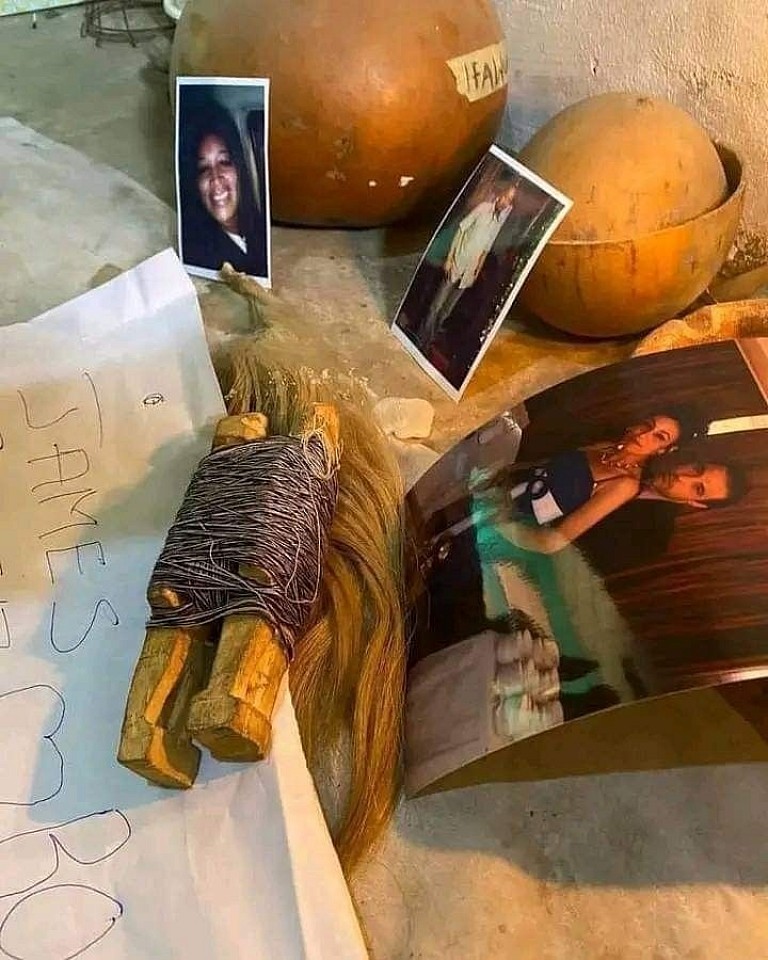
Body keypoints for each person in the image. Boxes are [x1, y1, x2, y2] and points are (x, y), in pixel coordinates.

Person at [416, 178, 522, 350]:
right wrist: (450, 258)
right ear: (500, 195)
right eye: (505, 197)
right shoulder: (483, 208)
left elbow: (485, 250)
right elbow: (461, 229)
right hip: (457, 263)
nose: (505, 202)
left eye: (509, 201)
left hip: (469, 272)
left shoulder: (498, 223)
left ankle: (429, 343)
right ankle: (421, 340)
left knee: (446, 312)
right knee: (436, 306)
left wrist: (476, 272)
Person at [179, 105, 267, 279]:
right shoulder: (197, 254)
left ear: (239, 169)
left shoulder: (261, 227)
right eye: (203, 168)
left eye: (224, 162)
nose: (215, 178)